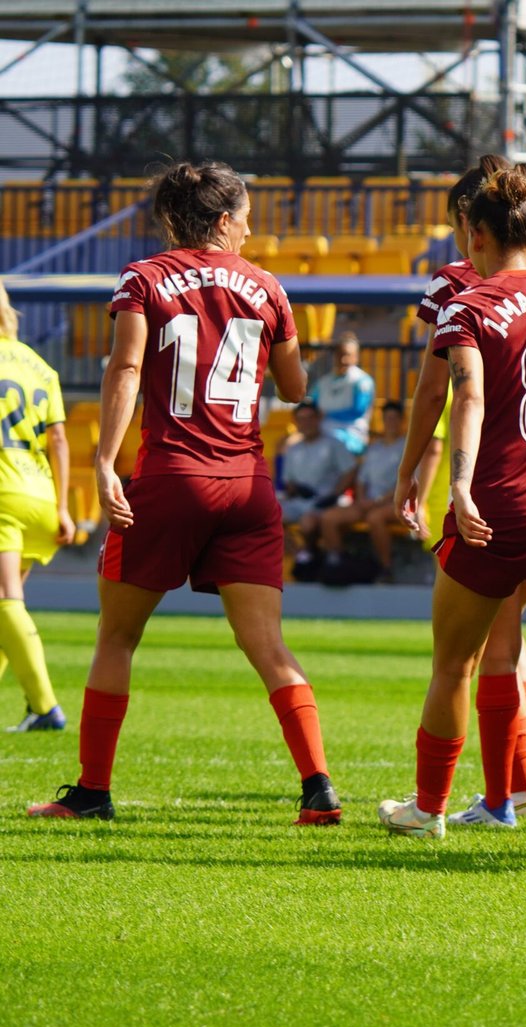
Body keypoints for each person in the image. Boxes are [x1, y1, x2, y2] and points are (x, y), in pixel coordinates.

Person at [26, 160, 342, 824]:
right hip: (246, 484)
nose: (251, 229)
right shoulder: (266, 285)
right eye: (246, 217)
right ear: (222, 220)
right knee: (268, 645)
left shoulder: (146, 277)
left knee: (116, 637)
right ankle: (318, 787)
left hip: (170, 478)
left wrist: (106, 461)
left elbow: (128, 366)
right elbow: (294, 388)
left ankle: (91, 792)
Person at [378, 164, 526, 846]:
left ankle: (429, 808)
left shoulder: (468, 302)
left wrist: (450, 482)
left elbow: (464, 397)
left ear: (474, 233)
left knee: (456, 659)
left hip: (502, 502)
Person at [0, 281, 74, 733]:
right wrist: (64, 508)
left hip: (4, 492)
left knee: (6, 599)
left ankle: (46, 707)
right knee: (6, 608)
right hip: (42, 496)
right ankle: (37, 708)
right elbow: (60, 439)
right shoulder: (41, 366)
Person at [317, 398, 406, 582]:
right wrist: (363, 499)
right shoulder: (374, 448)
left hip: (395, 503)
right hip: (368, 503)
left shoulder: (408, 447)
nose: (390, 422)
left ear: (402, 420)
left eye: (394, 418)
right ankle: (339, 564)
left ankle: (386, 568)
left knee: (375, 517)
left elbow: (407, 482)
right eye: (386, 418)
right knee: (328, 518)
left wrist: (378, 501)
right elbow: (361, 479)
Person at [278, 400, 356, 579]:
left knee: (308, 523)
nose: (306, 423)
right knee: (269, 517)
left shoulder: (334, 443)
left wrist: (335, 493)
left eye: (310, 418)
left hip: (326, 502)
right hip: (299, 502)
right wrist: (296, 488)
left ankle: (312, 554)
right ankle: (301, 555)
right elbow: (288, 482)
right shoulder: (292, 448)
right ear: (296, 422)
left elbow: (350, 471)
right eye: (301, 419)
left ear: (319, 419)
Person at [308, 332, 375, 453]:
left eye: (348, 355)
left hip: (351, 435)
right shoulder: (322, 383)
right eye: (340, 355)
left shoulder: (362, 381)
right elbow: (312, 406)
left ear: (356, 357)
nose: (344, 359)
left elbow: (357, 411)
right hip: (321, 433)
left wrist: (327, 415)